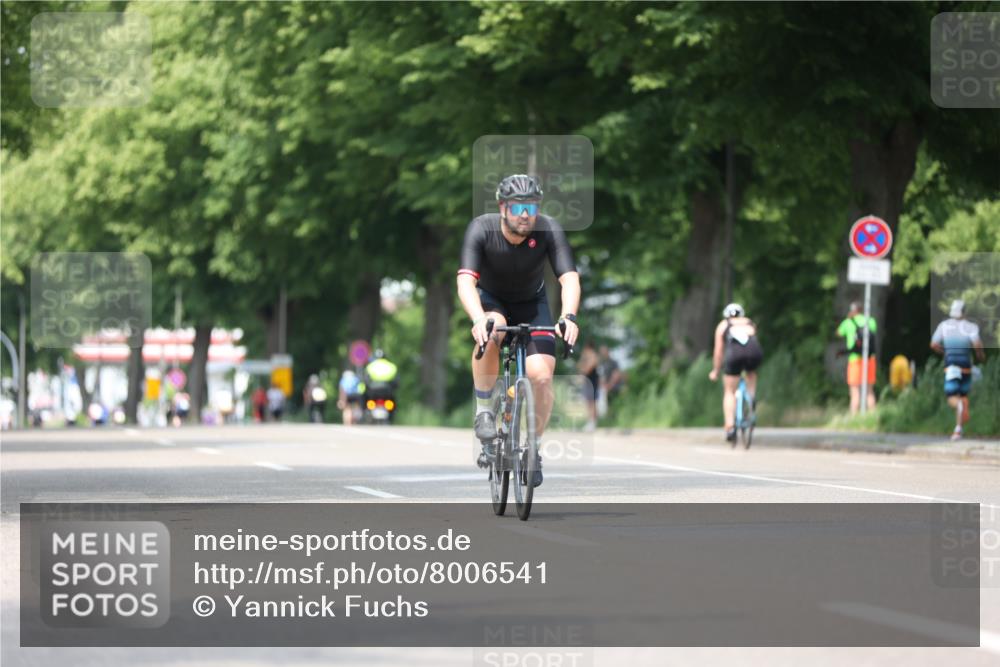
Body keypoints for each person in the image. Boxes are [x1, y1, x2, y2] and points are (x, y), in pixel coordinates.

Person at [457, 174, 581, 487]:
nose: (525, 214)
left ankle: (533, 448)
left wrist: (569, 316)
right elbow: (465, 281)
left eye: (531, 206)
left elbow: (569, 278)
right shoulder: (482, 228)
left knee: (542, 378)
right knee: (491, 331)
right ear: (502, 207)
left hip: (531, 304)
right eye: (517, 207)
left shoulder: (548, 229)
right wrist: (477, 318)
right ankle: (484, 410)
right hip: (492, 301)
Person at [930, 300, 986, 441]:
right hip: (966, 366)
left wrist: (944, 352)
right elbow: (977, 344)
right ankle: (958, 429)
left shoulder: (944, 326)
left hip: (951, 366)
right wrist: (980, 355)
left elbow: (934, 344)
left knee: (952, 396)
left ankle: (960, 409)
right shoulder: (970, 327)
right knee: (963, 394)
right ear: (964, 312)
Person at [709, 303, 764, 443]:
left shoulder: (723, 325)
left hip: (734, 354)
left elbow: (718, 351)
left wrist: (716, 370)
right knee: (751, 373)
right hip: (754, 353)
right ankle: (751, 398)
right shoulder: (749, 322)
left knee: (730, 391)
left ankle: (730, 427)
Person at [836, 301, 877, 414]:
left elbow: (838, 333)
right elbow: (874, 331)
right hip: (869, 359)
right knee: (869, 391)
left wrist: (848, 319)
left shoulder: (848, 322)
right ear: (861, 309)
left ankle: (853, 418)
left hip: (855, 360)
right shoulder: (870, 321)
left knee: (854, 392)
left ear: (852, 310)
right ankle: (872, 417)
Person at [577, 340, 600, 431]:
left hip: (592, 381)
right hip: (588, 381)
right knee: (588, 402)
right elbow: (579, 366)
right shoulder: (586, 356)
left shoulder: (593, 355)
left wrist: (582, 372)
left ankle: (593, 422)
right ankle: (590, 421)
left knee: (592, 402)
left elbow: (588, 368)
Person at [598, 344, 624, 415]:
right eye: (601, 352)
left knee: (616, 405)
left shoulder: (613, 362)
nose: (602, 353)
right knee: (607, 407)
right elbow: (601, 376)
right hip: (605, 389)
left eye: (604, 351)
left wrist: (609, 385)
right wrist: (603, 385)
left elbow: (616, 374)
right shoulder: (601, 363)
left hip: (614, 387)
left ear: (607, 351)